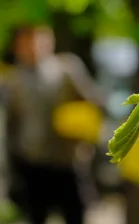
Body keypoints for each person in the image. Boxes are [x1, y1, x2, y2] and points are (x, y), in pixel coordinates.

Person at [3, 24, 104, 224]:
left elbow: (94, 102)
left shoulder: (68, 68)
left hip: (68, 160)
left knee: (76, 215)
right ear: (18, 47)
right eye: (27, 43)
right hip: (32, 163)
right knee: (36, 216)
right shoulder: (13, 80)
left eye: (38, 41)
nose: (33, 48)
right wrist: (12, 166)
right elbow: (11, 125)